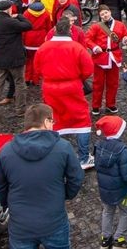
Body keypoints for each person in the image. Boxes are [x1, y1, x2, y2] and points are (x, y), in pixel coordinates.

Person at [0, 103, 83, 249]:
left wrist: (10, 204)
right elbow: (77, 179)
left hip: (21, 227)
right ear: (47, 121)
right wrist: (64, 195)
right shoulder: (63, 148)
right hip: (54, 221)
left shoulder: (7, 151)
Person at [34, 19, 97, 170]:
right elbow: (88, 69)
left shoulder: (43, 47)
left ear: (55, 30)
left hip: (50, 87)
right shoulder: (77, 48)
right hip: (72, 86)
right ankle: (83, 157)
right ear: (70, 30)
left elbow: (37, 69)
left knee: (53, 118)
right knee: (82, 119)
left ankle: (54, 157)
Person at [0, 0, 33, 123]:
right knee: (19, 83)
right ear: (9, 9)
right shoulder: (10, 22)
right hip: (15, 58)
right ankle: (20, 110)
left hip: (0, 57)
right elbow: (28, 25)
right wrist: (19, 16)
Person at [93, 114, 127, 249]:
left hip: (105, 191)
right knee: (125, 212)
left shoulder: (98, 146)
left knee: (107, 211)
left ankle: (105, 238)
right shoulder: (122, 150)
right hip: (122, 192)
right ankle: (119, 238)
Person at [85, 6, 127, 116]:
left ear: (110, 12)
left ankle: (111, 104)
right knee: (98, 84)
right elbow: (87, 39)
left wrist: (126, 39)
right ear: (100, 16)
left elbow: (126, 35)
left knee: (113, 83)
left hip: (114, 57)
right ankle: (96, 106)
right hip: (100, 57)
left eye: (106, 13)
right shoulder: (96, 27)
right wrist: (94, 47)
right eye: (102, 14)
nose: (105, 15)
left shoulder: (119, 24)